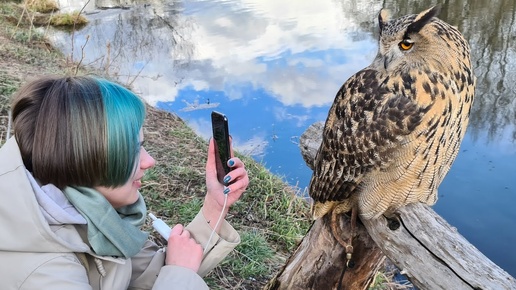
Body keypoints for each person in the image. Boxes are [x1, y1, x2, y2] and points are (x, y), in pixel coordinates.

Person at [0, 75, 249, 289]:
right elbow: (174, 272)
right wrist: (180, 272)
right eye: (133, 150)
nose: (149, 161)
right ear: (86, 161)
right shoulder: (45, 275)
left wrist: (215, 207)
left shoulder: (83, 211)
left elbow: (148, 275)